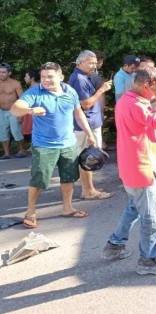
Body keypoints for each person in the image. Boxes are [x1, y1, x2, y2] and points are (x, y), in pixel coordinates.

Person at [101, 66, 156, 275]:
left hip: (132, 166)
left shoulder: (129, 99)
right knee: (152, 217)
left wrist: (155, 96)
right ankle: (148, 260)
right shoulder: (136, 105)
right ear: (147, 85)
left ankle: (114, 245)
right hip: (141, 168)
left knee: (134, 208)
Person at [10, 62, 97, 228]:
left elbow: (78, 114)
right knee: (39, 180)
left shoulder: (70, 91)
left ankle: (67, 208)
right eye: (43, 77)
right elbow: (16, 108)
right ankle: (30, 212)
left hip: (68, 143)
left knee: (68, 177)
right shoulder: (35, 91)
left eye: (50, 77)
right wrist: (30, 110)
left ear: (60, 77)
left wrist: (89, 134)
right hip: (44, 145)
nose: (46, 80)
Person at [68, 50, 113, 200]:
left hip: (90, 124)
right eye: (90, 62)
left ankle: (89, 188)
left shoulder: (85, 76)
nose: (94, 65)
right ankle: (88, 191)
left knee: (90, 157)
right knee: (87, 158)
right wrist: (102, 90)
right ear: (80, 62)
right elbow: (85, 104)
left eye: (95, 62)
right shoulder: (79, 79)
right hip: (84, 126)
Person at [0, 63, 28, 159]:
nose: (1, 74)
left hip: (14, 110)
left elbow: (22, 98)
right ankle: (6, 153)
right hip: (1, 111)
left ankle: (22, 150)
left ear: (9, 73)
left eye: (3, 72)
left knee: (16, 131)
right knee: (2, 132)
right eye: (0, 72)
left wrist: (21, 113)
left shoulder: (15, 83)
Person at [21, 69, 40, 149]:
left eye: (26, 76)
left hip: (34, 123)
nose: (25, 78)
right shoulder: (43, 88)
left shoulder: (31, 91)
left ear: (32, 78)